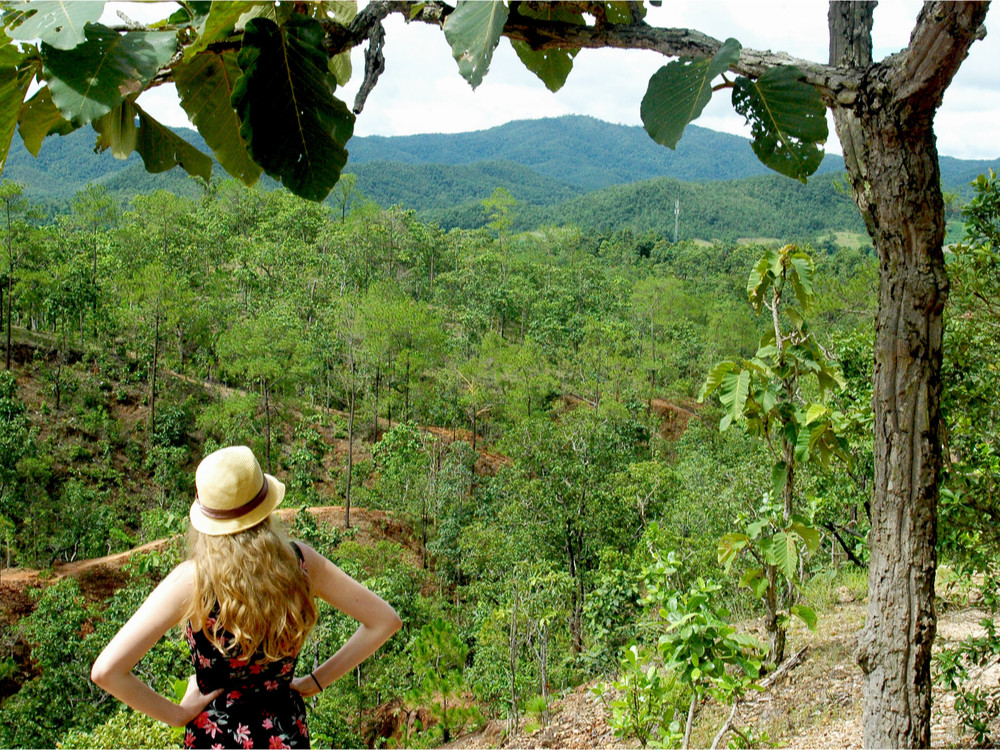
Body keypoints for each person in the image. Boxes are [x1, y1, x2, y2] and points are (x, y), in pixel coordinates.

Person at [91, 445, 402, 749]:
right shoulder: (301, 564)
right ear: (265, 505)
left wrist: (179, 714)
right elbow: (384, 621)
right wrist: (313, 682)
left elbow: (107, 671)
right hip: (286, 734)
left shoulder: (194, 580)